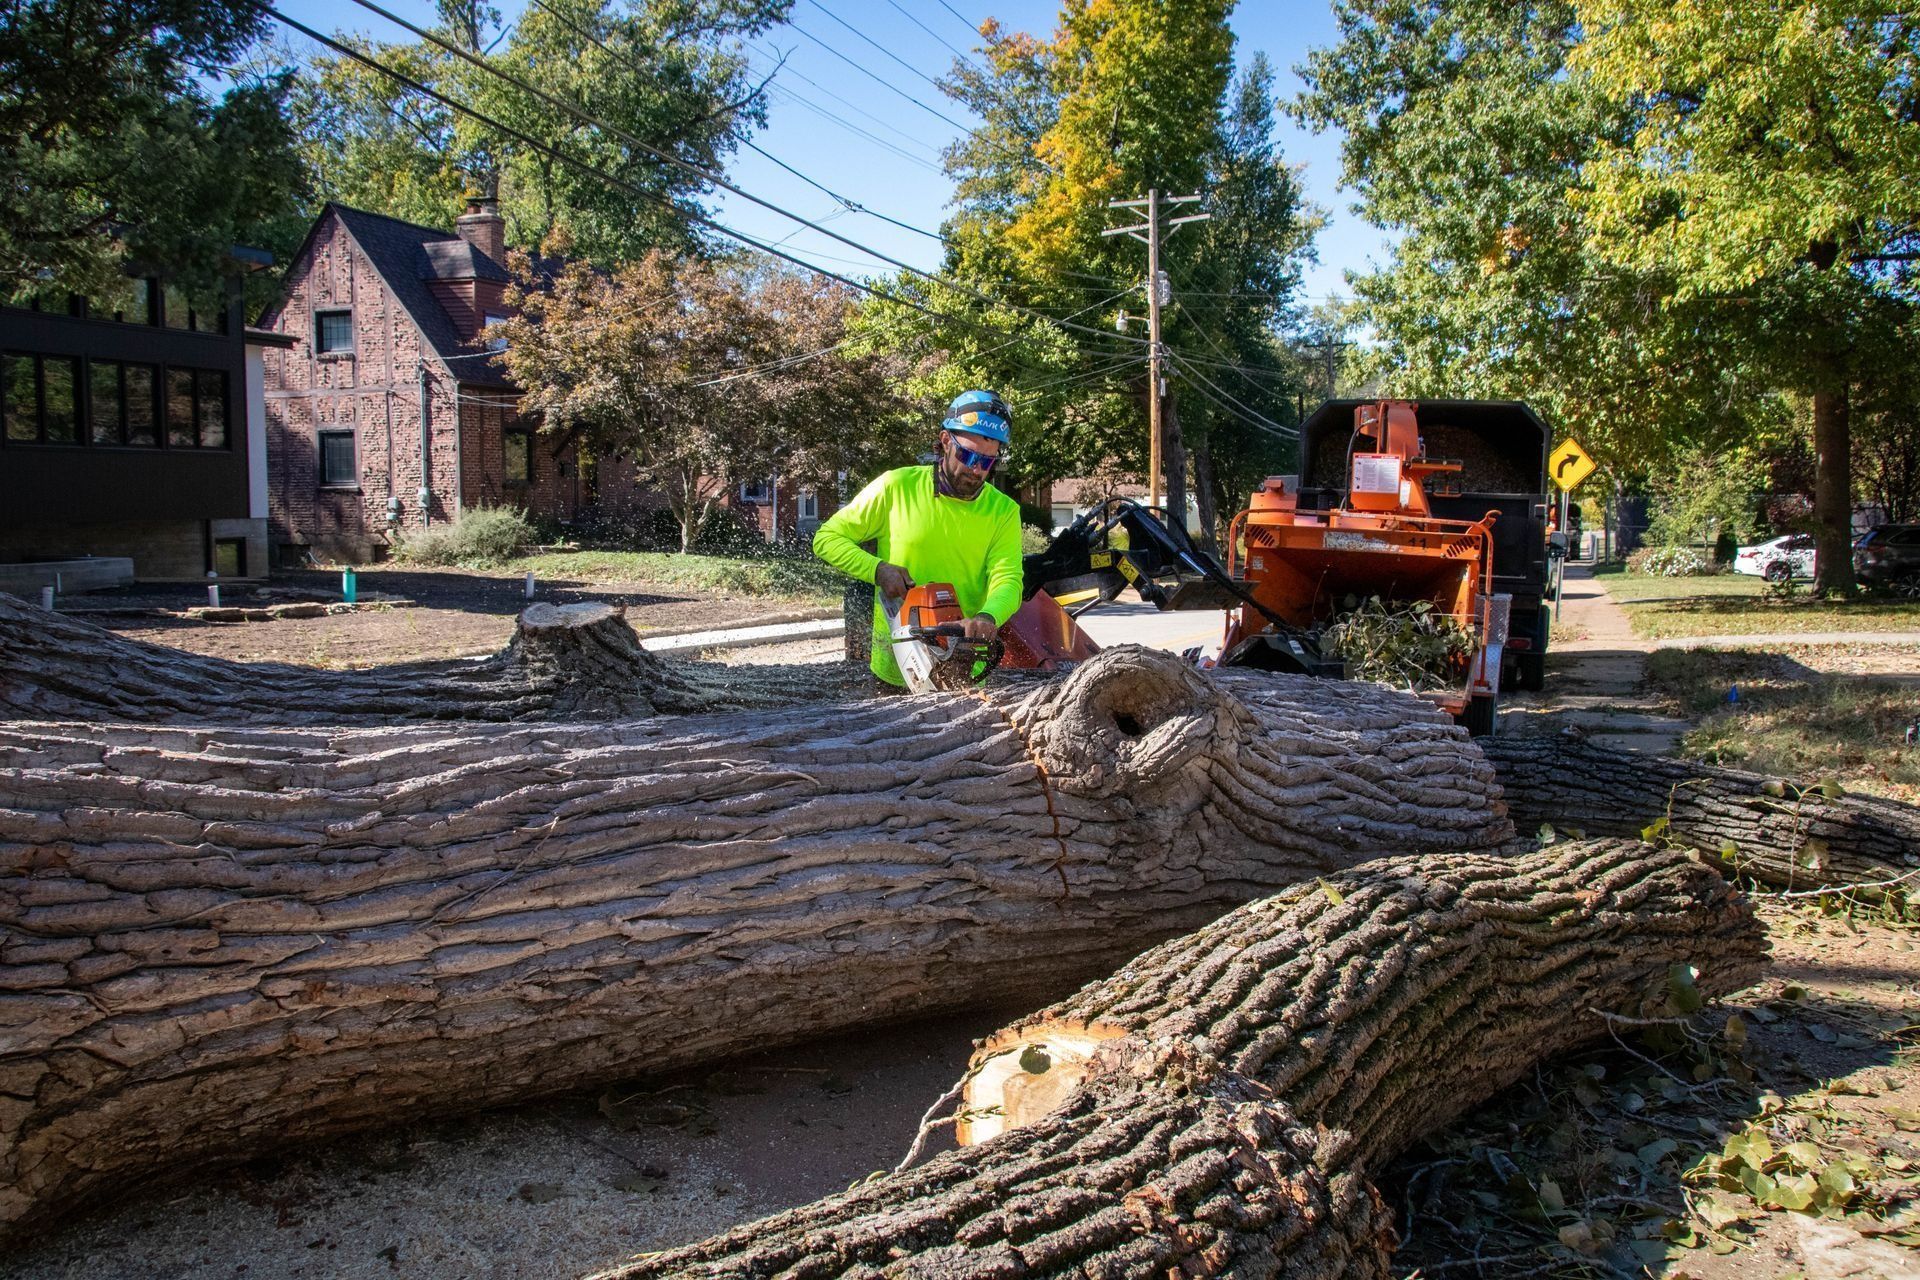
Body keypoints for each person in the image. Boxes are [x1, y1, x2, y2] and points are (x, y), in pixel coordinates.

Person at [813, 389, 1025, 689]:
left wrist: (987, 617)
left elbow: (1009, 580)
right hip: (893, 670)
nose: (975, 469)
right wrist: (877, 569)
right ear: (945, 440)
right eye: (967, 455)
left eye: (987, 462)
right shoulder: (897, 487)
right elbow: (827, 538)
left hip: (963, 668)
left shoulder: (1003, 511)